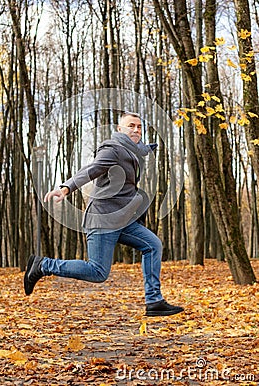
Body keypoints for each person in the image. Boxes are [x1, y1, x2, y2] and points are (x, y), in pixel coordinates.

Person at [24, 112, 184, 317]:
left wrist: (149, 147)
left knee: (153, 245)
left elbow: (140, 149)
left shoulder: (133, 149)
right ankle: (43, 265)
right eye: (131, 126)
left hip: (123, 219)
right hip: (103, 219)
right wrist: (66, 188)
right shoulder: (113, 149)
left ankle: (154, 301)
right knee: (98, 272)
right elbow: (93, 168)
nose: (136, 130)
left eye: (139, 127)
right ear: (119, 130)